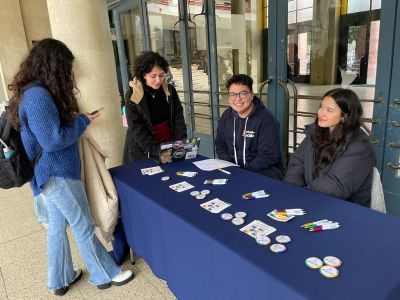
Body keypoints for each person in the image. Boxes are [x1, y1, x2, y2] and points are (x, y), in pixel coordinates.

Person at [8, 38, 134, 296]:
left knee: (57, 227)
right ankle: (106, 274)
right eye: (66, 66)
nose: (69, 72)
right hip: (57, 173)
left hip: (49, 173)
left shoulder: (30, 93)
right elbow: (53, 140)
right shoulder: (38, 95)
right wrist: (82, 122)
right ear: (54, 65)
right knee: (83, 224)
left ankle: (60, 279)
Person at [284, 88, 376, 207]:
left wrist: (302, 196)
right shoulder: (316, 133)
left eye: (329, 110)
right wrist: (291, 190)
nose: (321, 113)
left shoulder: (360, 147)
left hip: (345, 208)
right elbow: (298, 163)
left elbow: (337, 184)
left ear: (345, 116)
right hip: (312, 198)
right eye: (321, 107)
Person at [215, 74, 284, 180]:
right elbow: (220, 145)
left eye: (243, 94)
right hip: (233, 171)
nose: (237, 99)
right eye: (232, 94)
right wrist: (231, 167)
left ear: (252, 95)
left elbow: (268, 156)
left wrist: (242, 171)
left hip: (262, 172)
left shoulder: (266, 120)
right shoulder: (226, 116)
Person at [123, 51, 187, 164]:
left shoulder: (169, 90)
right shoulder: (133, 94)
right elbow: (137, 128)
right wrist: (157, 151)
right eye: (153, 76)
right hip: (144, 149)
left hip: (169, 142)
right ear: (143, 75)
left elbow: (178, 118)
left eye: (161, 75)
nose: (158, 80)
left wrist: (180, 143)